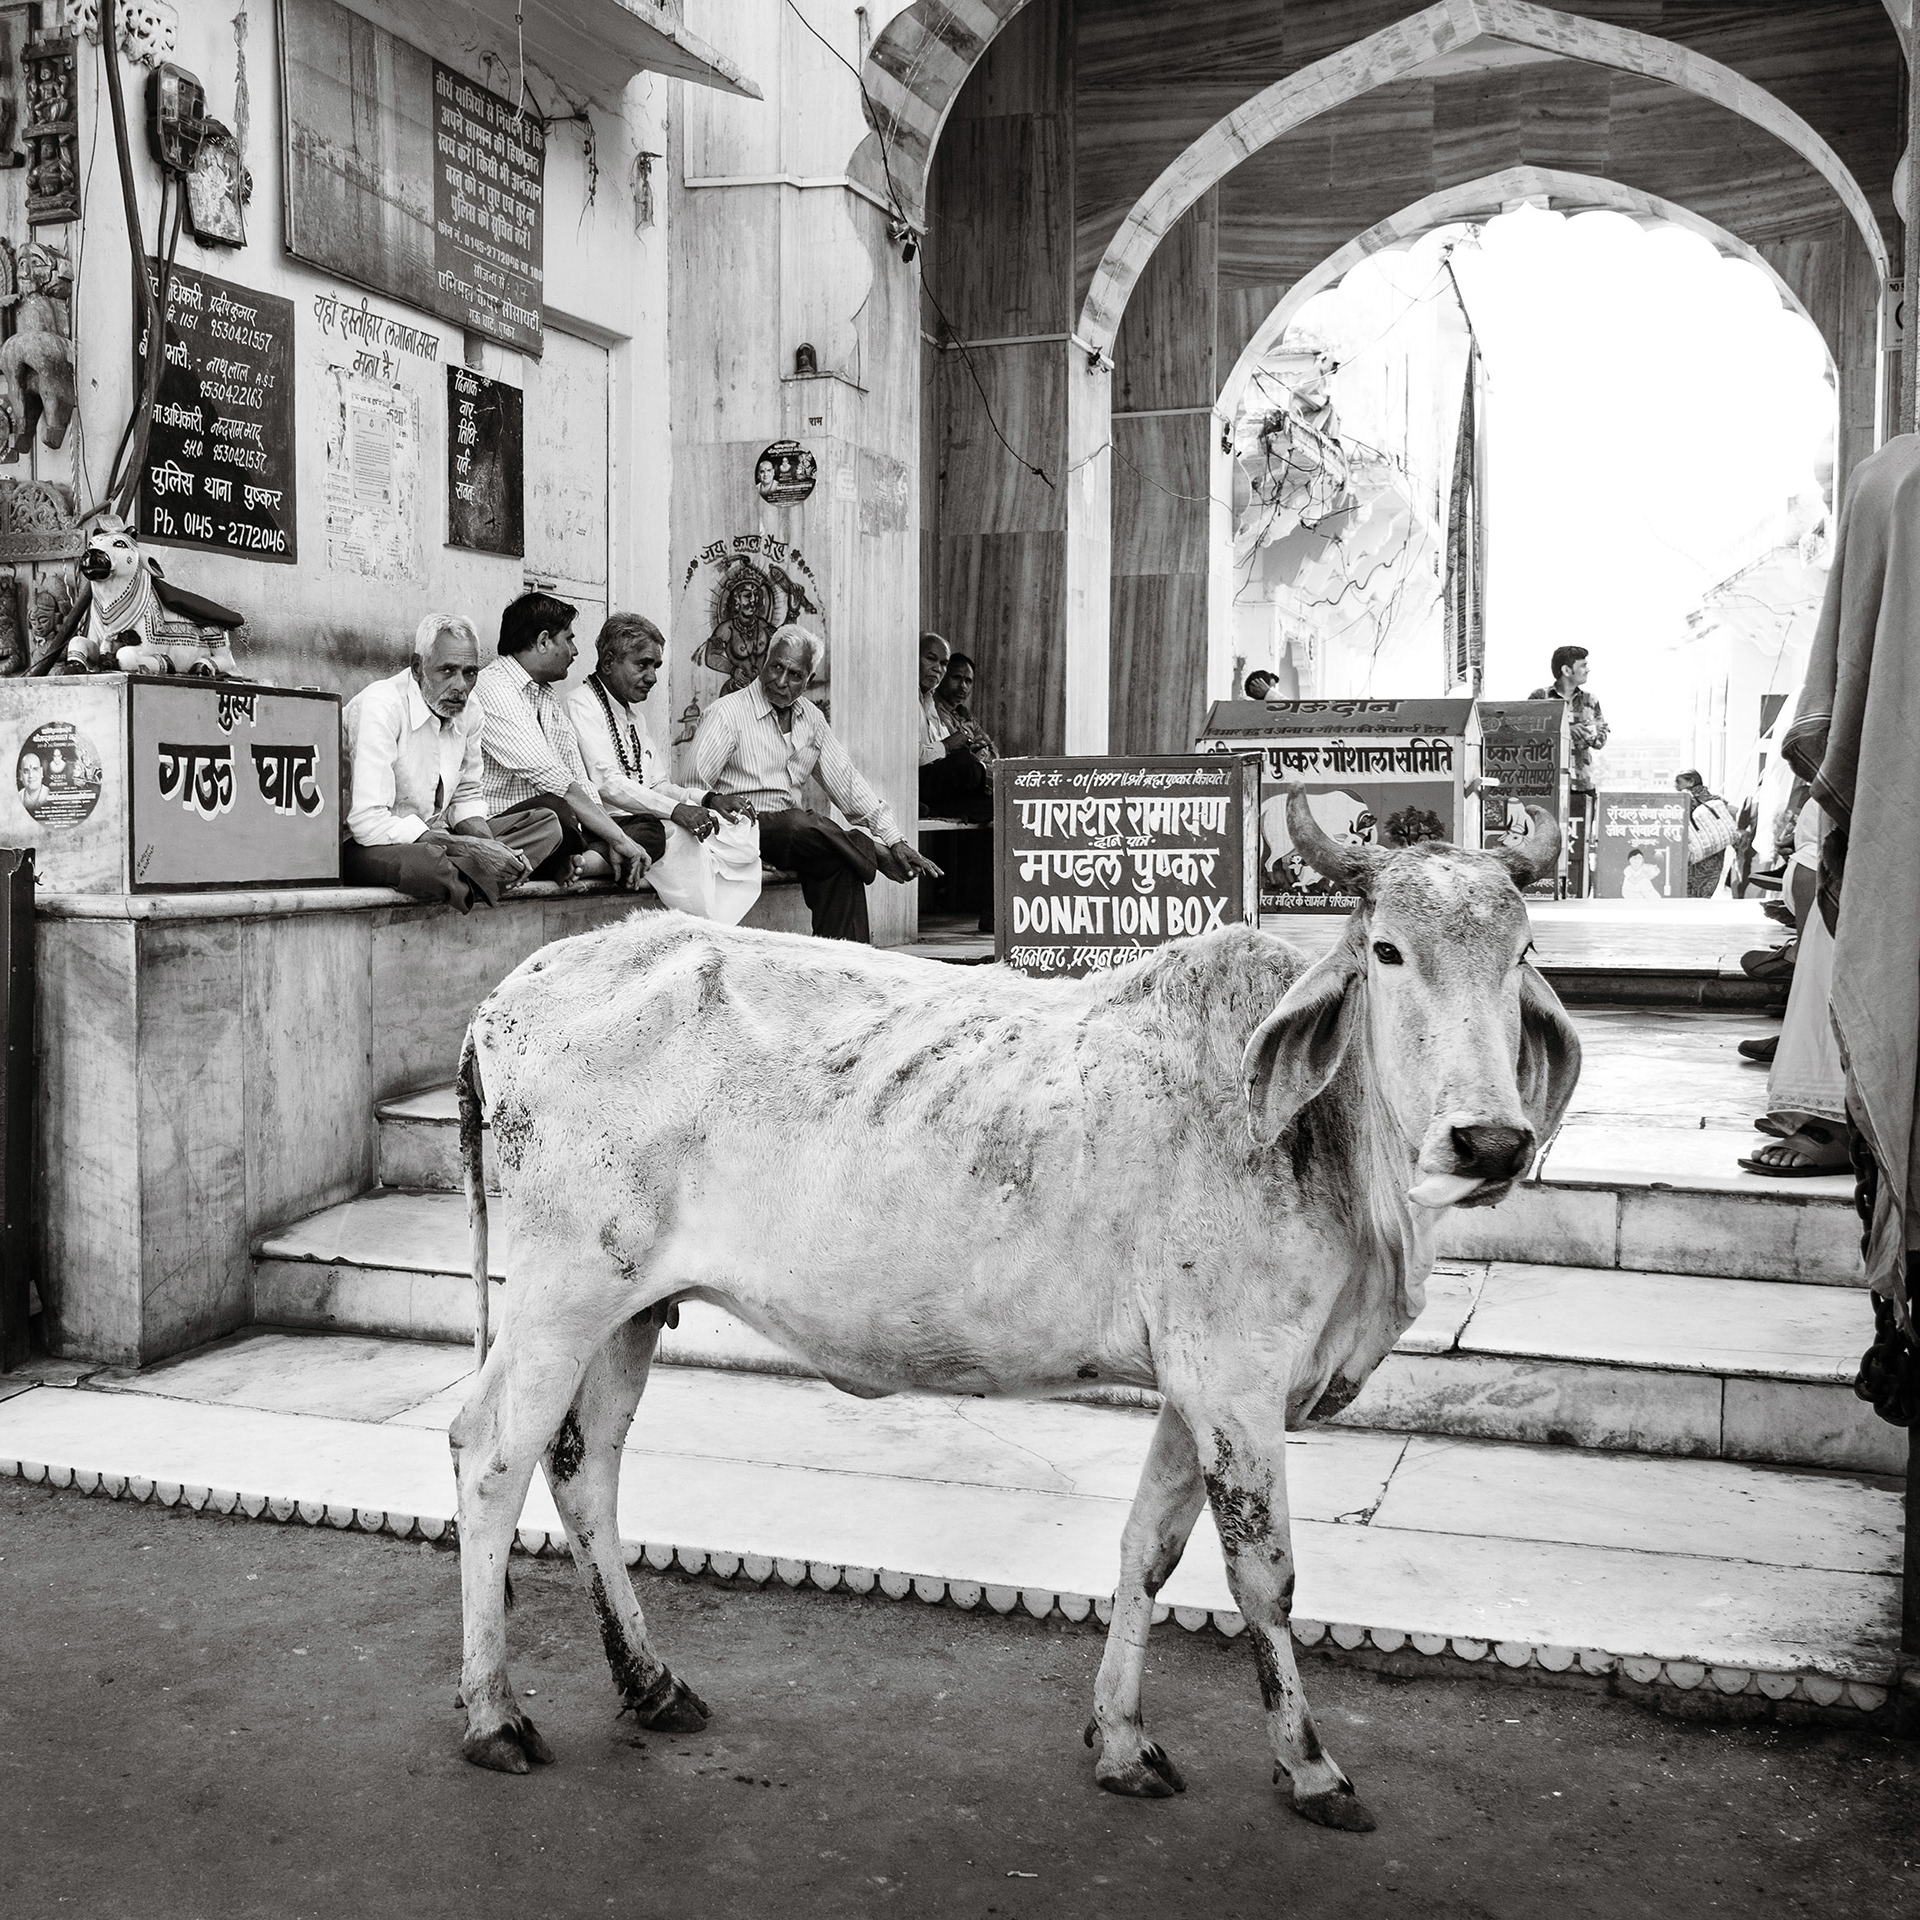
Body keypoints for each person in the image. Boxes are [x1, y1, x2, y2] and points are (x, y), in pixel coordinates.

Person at [693, 623, 940, 942]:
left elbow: (848, 783)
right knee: (799, 824)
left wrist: (895, 839)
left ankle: (847, 968)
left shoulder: (810, 718)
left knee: (841, 861)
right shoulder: (726, 714)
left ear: (809, 680)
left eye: (794, 675)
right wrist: (880, 848)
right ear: (763, 663)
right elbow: (690, 788)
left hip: (792, 838)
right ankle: (871, 854)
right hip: (735, 829)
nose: (780, 681)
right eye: (776, 667)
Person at [340, 614, 563, 909]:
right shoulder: (382, 706)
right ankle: (490, 880)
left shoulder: (470, 710)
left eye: (470, 673)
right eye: (448, 670)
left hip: (440, 840)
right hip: (369, 845)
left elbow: (467, 797)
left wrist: (490, 846)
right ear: (418, 667)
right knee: (427, 864)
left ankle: (473, 880)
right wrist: (473, 848)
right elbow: (367, 823)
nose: (460, 686)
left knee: (547, 824)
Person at [565, 613, 762, 924]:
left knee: (729, 826)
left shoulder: (634, 718)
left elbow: (656, 784)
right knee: (665, 833)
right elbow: (607, 783)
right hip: (605, 824)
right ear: (608, 662)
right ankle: (702, 923)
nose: (652, 677)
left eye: (655, 666)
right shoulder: (581, 704)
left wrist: (707, 800)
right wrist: (675, 811)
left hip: (643, 822)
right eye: (642, 664)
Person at [474, 591, 654, 890]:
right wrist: (615, 838)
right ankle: (588, 859)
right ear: (544, 641)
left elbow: (577, 777)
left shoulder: (545, 694)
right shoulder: (493, 688)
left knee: (648, 828)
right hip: (518, 828)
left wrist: (608, 833)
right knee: (556, 811)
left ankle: (581, 863)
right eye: (568, 639)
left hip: (565, 824)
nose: (575, 650)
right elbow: (553, 780)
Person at [916, 632, 992, 825]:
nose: (937, 669)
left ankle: (933, 809)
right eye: (931, 659)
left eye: (943, 664)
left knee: (994, 805)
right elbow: (913, 757)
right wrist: (949, 745)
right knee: (968, 767)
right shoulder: (909, 698)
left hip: (935, 785)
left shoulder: (929, 701)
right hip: (913, 782)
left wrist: (967, 750)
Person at [1529, 645, 1608, 790]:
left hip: (1581, 782)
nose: (1587, 670)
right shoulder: (1540, 697)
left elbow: (1599, 743)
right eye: (1583, 666)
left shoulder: (1590, 700)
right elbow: (1529, 735)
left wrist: (1596, 731)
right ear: (1566, 670)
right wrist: (1567, 730)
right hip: (1547, 782)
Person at [1674, 769, 1733, 898]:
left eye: (1678, 782)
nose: (1675, 786)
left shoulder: (1684, 801)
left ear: (1691, 782)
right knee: (1704, 895)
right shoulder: (1716, 800)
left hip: (1694, 852)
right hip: (1715, 852)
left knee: (1689, 893)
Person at [934, 649, 997, 762]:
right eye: (957, 677)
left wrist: (983, 753)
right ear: (942, 676)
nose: (963, 686)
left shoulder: (964, 713)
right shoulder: (932, 709)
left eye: (968, 681)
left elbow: (994, 754)